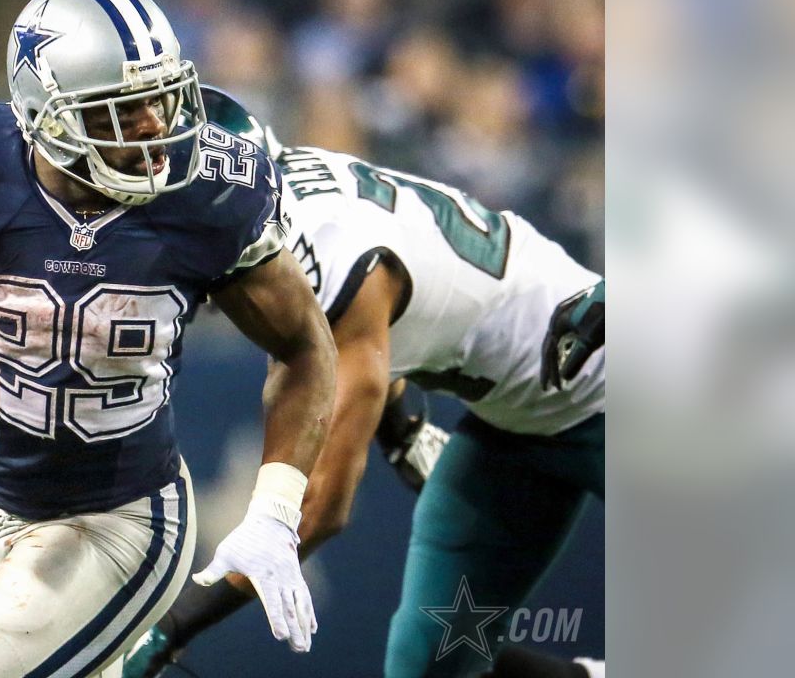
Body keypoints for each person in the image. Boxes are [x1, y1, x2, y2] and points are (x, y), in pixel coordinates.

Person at [0, 0, 336, 678]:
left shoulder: (212, 193)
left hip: (124, 520)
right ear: (42, 114)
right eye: (121, 109)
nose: (153, 126)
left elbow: (306, 346)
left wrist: (274, 509)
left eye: (161, 97)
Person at [124, 88, 604, 677]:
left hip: (602, 384)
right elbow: (383, 318)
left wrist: (172, 627)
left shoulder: (322, 257)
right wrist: (402, 429)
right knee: (432, 660)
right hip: (516, 419)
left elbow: (319, 505)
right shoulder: (293, 212)